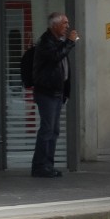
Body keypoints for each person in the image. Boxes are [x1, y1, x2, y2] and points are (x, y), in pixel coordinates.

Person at [30, 12, 77, 178]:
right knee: (47, 129)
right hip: (46, 92)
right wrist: (70, 42)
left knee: (54, 130)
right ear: (54, 25)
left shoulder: (58, 42)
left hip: (57, 92)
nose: (67, 26)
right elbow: (56, 57)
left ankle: (48, 165)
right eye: (64, 23)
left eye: (67, 23)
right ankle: (39, 166)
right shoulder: (46, 42)